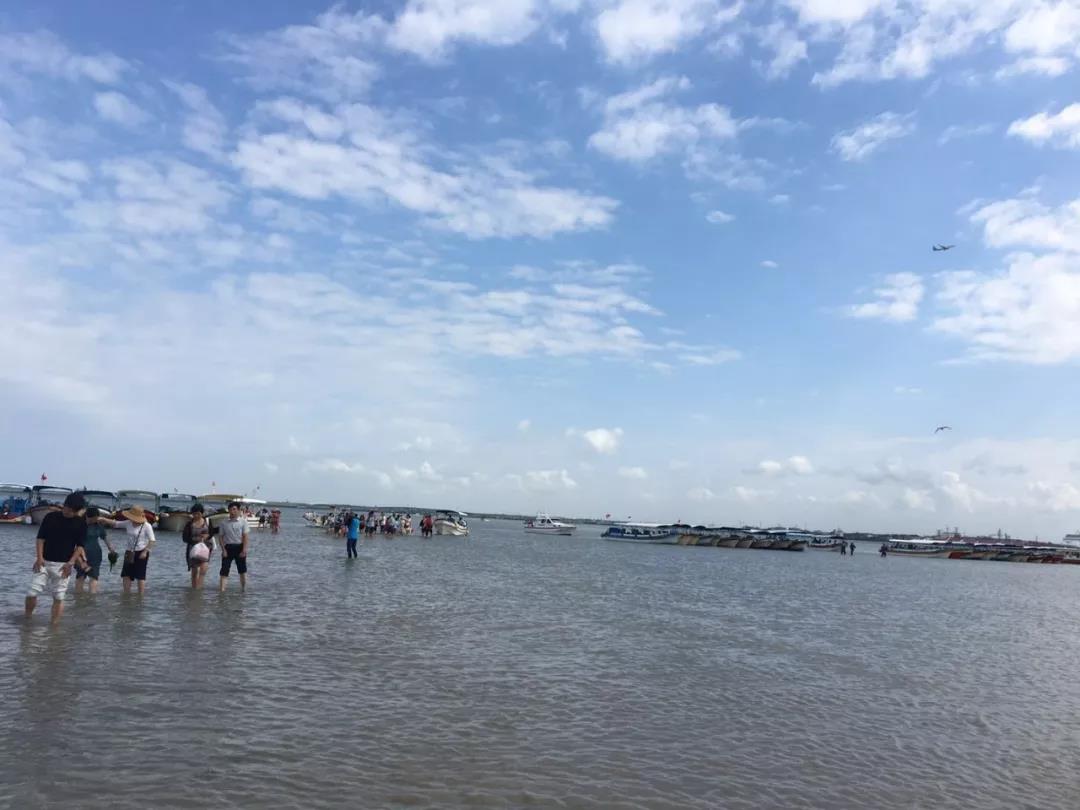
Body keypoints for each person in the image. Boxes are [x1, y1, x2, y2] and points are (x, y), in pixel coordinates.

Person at [26, 492, 87, 624]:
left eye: (72, 511)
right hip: (44, 561)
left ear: (77, 511)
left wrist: (70, 563)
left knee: (59, 596)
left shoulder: (80, 523)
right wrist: (39, 558)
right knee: (32, 592)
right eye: (67, 508)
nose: (68, 512)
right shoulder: (50, 517)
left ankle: (54, 626)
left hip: (63, 565)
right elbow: (40, 539)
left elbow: (80, 546)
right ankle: (27, 619)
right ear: (64, 505)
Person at [94, 505, 156, 594]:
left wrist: (145, 551)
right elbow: (116, 523)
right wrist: (104, 519)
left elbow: (152, 541)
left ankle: (140, 596)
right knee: (126, 574)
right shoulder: (128, 523)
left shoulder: (147, 526)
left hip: (141, 552)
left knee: (140, 576)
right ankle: (126, 594)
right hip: (129, 552)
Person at [74, 506, 117, 594]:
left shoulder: (98, 525)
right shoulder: (79, 525)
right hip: (80, 554)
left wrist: (110, 548)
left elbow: (104, 537)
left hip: (95, 554)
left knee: (94, 576)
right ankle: (78, 598)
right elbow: (73, 541)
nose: (95, 520)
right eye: (93, 519)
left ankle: (92, 597)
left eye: (96, 518)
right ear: (87, 516)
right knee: (80, 576)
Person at [218, 501, 249, 592]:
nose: (232, 511)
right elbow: (220, 537)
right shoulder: (224, 523)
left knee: (242, 570)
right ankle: (222, 591)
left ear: (239, 510)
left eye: (234, 509)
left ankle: (243, 589)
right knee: (224, 570)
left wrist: (244, 550)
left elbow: (245, 537)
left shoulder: (243, 522)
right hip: (228, 548)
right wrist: (223, 550)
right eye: (230, 510)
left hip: (239, 547)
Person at [182, 503, 214, 589]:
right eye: (194, 514)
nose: (196, 515)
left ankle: (198, 589)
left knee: (203, 569)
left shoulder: (208, 521)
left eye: (198, 513)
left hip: (206, 548)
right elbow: (184, 538)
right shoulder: (189, 524)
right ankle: (194, 589)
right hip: (193, 549)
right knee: (194, 571)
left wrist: (207, 536)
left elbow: (212, 533)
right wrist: (195, 540)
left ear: (202, 513)